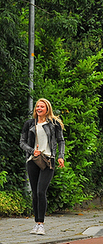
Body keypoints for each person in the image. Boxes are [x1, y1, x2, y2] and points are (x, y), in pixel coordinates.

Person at [19, 98, 65, 236]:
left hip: (48, 160)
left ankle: (41, 224)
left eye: (42, 107)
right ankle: (36, 224)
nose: (39, 108)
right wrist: (33, 151)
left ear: (47, 109)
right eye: (37, 106)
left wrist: (60, 156)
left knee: (41, 191)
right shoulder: (29, 124)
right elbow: (22, 142)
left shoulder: (54, 124)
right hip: (33, 160)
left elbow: (60, 140)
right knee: (34, 193)